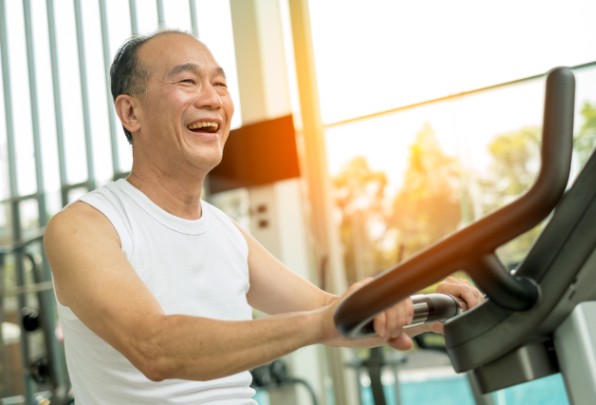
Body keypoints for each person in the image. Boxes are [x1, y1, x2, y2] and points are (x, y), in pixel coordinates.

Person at [44, 30, 483, 404]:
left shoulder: (222, 230)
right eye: (187, 81)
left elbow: (332, 314)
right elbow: (155, 348)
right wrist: (326, 321)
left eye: (220, 85)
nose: (213, 99)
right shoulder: (85, 227)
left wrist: (418, 306)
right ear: (130, 112)